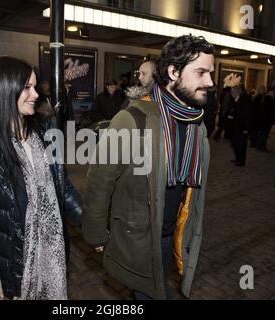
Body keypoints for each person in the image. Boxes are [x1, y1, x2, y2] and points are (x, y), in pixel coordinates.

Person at [82, 35, 214, 299]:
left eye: (211, 73)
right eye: (201, 72)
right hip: (138, 236)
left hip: (170, 235)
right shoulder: (131, 119)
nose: (210, 82)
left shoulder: (197, 125)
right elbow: (100, 180)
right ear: (173, 72)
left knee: (158, 286)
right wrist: (96, 233)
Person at [0, 56, 81, 300]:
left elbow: (61, 186)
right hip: (13, 259)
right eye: (27, 88)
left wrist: (90, 223)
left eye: (35, 86)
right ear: (4, 89)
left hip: (52, 250)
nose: (35, 94)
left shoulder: (43, 131)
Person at [229, 85, 251, 166]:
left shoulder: (244, 101)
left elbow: (247, 115)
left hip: (241, 128)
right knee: (235, 144)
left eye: (233, 92)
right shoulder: (234, 100)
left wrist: (246, 128)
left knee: (241, 145)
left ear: (238, 92)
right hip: (235, 127)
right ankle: (237, 158)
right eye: (231, 92)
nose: (231, 94)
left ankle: (241, 161)